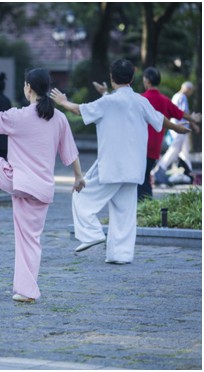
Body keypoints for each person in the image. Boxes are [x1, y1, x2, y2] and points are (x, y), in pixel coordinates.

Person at [50, 59, 190, 264]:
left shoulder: (107, 102)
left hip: (111, 165)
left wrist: (62, 101)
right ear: (133, 78)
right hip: (135, 167)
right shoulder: (141, 101)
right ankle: (120, 255)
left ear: (111, 78)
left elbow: (80, 110)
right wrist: (178, 128)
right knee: (124, 212)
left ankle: (91, 234)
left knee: (81, 196)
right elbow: (160, 119)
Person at [0, 70, 85, 303]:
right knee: (30, 240)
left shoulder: (20, 116)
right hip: (42, 189)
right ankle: (27, 291)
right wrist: (78, 177)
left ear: (28, 87)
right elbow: (71, 152)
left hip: (18, 181)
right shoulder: (59, 117)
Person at [93, 68, 201, 199]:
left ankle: (143, 208)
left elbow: (119, 105)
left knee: (140, 180)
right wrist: (192, 119)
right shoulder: (164, 100)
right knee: (144, 177)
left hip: (138, 146)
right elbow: (179, 113)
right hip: (154, 148)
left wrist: (105, 94)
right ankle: (146, 208)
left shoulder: (141, 99)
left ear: (147, 81)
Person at [154, 81, 201, 185]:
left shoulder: (176, 96)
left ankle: (189, 172)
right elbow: (183, 113)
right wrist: (194, 123)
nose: (191, 93)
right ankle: (160, 168)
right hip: (180, 128)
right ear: (187, 89)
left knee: (184, 152)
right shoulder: (182, 97)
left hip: (177, 127)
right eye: (191, 91)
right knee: (175, 150)